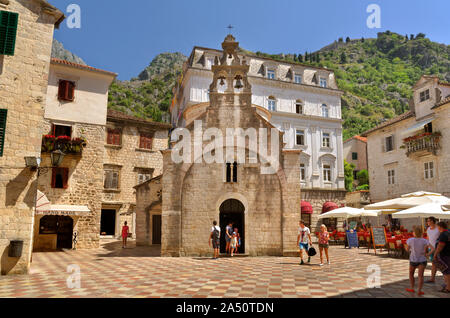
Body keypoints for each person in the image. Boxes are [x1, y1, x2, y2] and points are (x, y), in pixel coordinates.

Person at [405, 227, 434, 296]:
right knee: (420, 276)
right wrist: (427, 254)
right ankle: (419, 291)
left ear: (414, 233)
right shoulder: (425, 240)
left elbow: (407, 250)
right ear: (421, 233)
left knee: (411, 274)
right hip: (422, 260)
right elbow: (433, 249)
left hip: (413, 259)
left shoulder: (410, 240)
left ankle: (412, 288)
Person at [433, 222, 450, 293]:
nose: (437, 228)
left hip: (445, 255)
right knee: (446, 271)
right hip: (447, 255)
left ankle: (448, 288)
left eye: (437, 227)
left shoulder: (443, 234)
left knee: (446, 272)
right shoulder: (448, 232)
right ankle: (447, 285)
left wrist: (435, 254)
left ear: (440, 227)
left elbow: (440, 246)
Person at [425, 217, 440, 284]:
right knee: (434, 263)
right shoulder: (428, 229)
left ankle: (433, 278)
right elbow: (428, 239)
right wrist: (426, 248)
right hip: (431, 249)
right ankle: (432, 278)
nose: (427, 222)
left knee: (438, 263)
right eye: (427, 221)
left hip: (438, 248)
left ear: (433, 221)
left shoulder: (438, 228)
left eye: (429, 221)